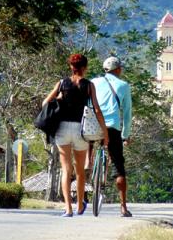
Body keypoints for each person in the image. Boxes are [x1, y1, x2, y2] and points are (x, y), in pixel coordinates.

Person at [43, 54, 108, 217]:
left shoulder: (62, 83)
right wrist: (104, 132)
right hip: (81, 130)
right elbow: (97, 110)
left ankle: (68, 209)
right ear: (85, 68)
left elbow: (45, 103)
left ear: (71, 67)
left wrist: (59, 99)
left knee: (66, 169)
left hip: (63, 129)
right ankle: (79, 205)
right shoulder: (89, 85)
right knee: (79, 170)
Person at [92, 56, 133, 217]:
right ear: (118, 70)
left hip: (93, 125)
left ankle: (88, 164)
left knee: (86, 147)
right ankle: (123, 207)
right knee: (119, 167)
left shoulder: (94, 82)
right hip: (112, 128)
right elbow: (127, 113)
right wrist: (125, 135)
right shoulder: (123, 85)